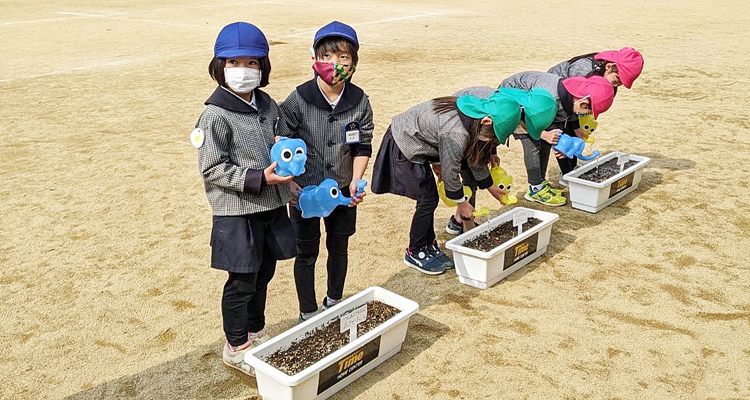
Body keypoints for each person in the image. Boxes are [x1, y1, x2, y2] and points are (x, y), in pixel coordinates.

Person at [192, 22, 296, 375]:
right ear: (219, 67)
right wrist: (259, 177)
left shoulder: (268, 105)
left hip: (271, 206)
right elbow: (212, 168)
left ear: (263, 67)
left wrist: (287, 184)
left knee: (265, 272)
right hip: (237, 213)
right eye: (234, 62)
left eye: (252, 63)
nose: (243, 71)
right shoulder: (214, 115)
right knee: (242, 281)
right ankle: (236, 345)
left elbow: (278, 150)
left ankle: (255, 331)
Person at [371, 88, 557, 274]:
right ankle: (416, 250)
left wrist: (490, 186)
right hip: (405, 140)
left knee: (429, 198)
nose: (490, 143)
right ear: (486, 121)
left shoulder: (474, 117)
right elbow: (450, 170)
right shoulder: (457, 132)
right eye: (492, 138)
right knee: (427, 198)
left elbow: (473, 159)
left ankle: (429, 244)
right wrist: (462, 203)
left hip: (427, 140)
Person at [277, 21, 373, 322]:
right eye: (328, 57)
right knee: (306, 253)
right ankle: (308, 311)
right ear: (315, 60)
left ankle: (334, 300)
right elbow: (282, 143)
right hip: (304, 192)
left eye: (344, 58)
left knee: (339, 246)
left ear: (354, 63)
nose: (336, 64)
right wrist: (290, 183)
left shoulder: (359, 101)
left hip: (342, 188)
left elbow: (362, 145)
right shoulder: (298, 99)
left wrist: (356, 180)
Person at [499, 72, 616, 205]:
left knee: (548, 140)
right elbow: (522, 118)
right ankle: (535, 188)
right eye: (588, 112)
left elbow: (561, 118)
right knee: (533, 143)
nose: (585, 115)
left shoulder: (570, 96)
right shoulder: (552, 98)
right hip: (514, 104)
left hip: (536, 108)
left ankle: (541, 181)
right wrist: (543, 134)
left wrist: (562, 139)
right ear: (583, 102)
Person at [547, 47, 644, 182]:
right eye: (617, 80)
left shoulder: (605, 73)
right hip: (556, 98)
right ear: (609, 67)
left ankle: (572, 169)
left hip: (575, 104)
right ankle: (567, 175)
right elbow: (570, 102)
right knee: (564, 134)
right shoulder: (583, 70)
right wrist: (575, 125)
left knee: (575, 133)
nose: (617, 85)